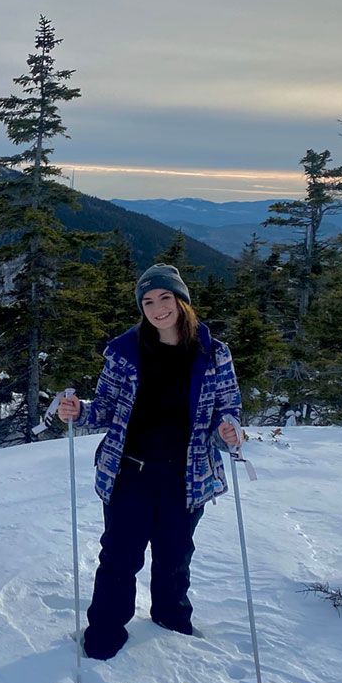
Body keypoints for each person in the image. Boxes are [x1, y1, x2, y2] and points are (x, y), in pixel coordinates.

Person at [58, 262, 242, 660]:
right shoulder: (125, 352)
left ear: (181, 301)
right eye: (148, 301)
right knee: (119, 557)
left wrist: (229, 430)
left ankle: (172, 622)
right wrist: (79, 411)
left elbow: (228, 410)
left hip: (187, 477)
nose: (158, 308)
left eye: (165, 298)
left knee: (175, 556)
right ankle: (104, 632)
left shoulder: (213, 354)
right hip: (130, 473)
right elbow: (105, 407)